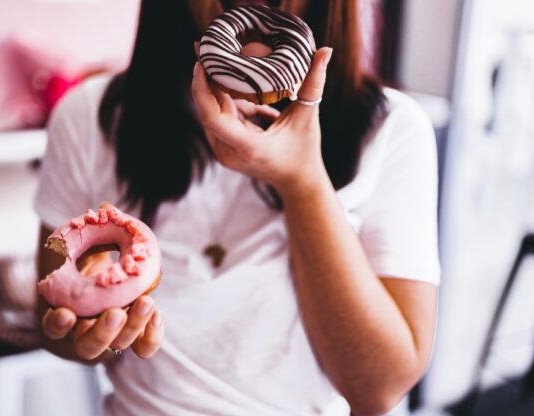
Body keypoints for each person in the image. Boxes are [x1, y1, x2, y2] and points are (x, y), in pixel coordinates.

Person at [35, 0, 440, 414]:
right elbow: (51, 318)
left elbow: (379, 390)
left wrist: (303, 181)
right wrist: (91, 331)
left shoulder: (394, 129)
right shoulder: (89, 115)